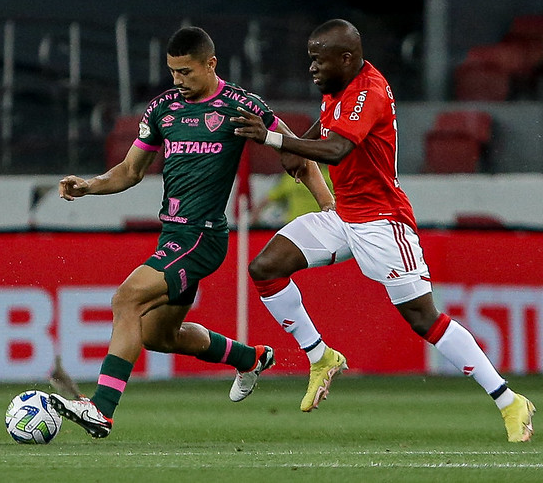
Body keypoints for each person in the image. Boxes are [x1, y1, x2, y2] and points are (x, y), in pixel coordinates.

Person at [232, 19, 536, 443]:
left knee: (423, 319)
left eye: (319, 60)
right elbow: (326, 129)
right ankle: (321, 357)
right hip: (344, 216)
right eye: (310, 60)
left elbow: (337, 150)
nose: (313, 68)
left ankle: (509, 400)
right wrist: (298, 141)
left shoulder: (368, 91)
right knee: (266, 267)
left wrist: (277, 141)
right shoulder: (338, 87)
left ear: (347, 58)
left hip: (382, 223)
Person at [50, 26, 334, 439]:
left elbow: (297, 155)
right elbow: (130, 171)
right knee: (157, 335)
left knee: (126, 299)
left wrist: (328, 208)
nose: (178, 81)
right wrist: (89, 185)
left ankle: (101, 408)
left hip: (202, 237)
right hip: (172, 237)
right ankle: (249, 358)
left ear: (210, 64)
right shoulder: (162, 110)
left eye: (186, 72)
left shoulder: (240, 105)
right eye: (173, 72)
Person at [251, 162, 333, 227]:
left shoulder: (330, 176)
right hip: (295, 225)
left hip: (321, 225)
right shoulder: (291, 177)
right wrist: (255, 215)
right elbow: (270, 197)